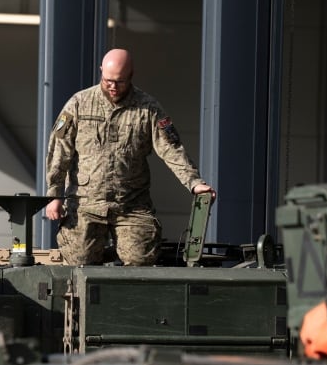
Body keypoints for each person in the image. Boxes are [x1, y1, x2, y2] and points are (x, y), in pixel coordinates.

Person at [43, 48, 214, 266]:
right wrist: (54, 195)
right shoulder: (79, 104)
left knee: (140, 260)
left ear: (131, 76)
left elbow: (171, 149)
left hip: (131, 205)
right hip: (85, 204)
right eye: (108, 81)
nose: (113, 86)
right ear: (101, 72)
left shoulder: (148, 109)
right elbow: (59, 150)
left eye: (120, 81)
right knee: (79, 262)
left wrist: (195, 183)